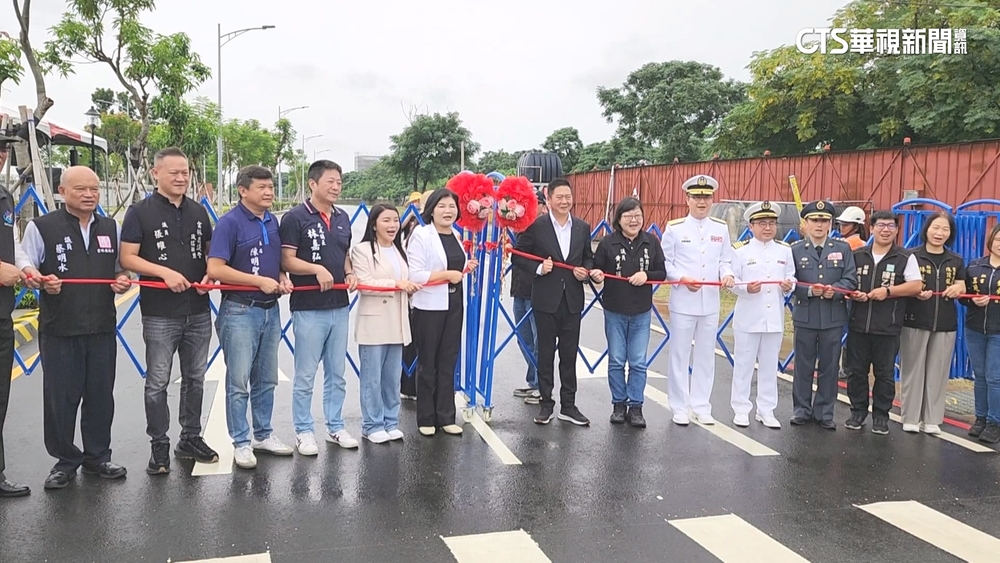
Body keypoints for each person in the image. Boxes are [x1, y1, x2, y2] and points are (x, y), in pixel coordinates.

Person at [20, 166, 133, 489]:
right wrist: (41, 283)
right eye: (81, 189)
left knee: (100, 394)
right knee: (61, 397)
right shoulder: (42, 227)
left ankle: (98, 457)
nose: (89, 195)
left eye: (94, 189)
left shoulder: (110, 226)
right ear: (62, 191)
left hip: (101, 325)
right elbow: (26, 266)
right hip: (60, 327)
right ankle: (65, 460)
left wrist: (123, 281)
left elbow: (120, 268)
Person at [119, 147, 219, 475]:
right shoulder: (139, 212)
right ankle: (158, 444)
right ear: (155, 174)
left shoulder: (198, 212)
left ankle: (189, 437)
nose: (181, 178)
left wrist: (209, 276)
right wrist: (163, 272)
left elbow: (209, 255)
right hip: (160, 311)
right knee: (158, 380)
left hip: (198, 309)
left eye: (185, 172)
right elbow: (128, 258)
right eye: (174, 172)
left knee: (195, 377)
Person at [207, 165, 294, 470]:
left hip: (271, 309)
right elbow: (215, 269)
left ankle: (263, 434)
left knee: (266, 378)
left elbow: (276, 260)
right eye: (262, 187)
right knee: (239, 381)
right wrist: (257, 281)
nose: (269, 192)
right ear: (243, 191)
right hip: (240, 310)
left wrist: (282, 277)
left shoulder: (272, 220)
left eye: (271, 187)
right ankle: (241, 442)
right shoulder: (229, 223)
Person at [279, 160, 359, 455]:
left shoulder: (343, 218)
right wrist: (315, 269)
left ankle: (335, 426)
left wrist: (349, 273)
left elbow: (344, 254)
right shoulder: (295, 218)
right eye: (330, 181)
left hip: (339, 306)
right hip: (309, 307)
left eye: (339, 181)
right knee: (305, 374)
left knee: (336, 373)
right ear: (313, 184)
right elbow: (286, 260)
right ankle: (303, 431)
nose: (336, 186)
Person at [511, 178, 593, 426]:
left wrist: (585, 270)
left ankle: (569, 405)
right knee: (545, 353)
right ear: (549, 199)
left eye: (568, 196)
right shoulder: (537, 227)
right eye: (560, 197)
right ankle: (546, 403)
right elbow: (518, 256)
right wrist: (538, 267)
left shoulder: (582, 227)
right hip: (545, 300)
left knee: (569, 355)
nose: (565, 201)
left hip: (572, 301)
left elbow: (589, 258)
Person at [659, 174, 734, 426]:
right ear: (687, 199)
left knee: (705, 355)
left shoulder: (720, 228)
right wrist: (682, 278)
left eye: (706, 197)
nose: (702, 202)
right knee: (679, 354)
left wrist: (728, 275)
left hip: (710, 302)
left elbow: (725, 260)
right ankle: (679, 405)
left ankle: (702, 405)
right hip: (683, 301)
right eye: (697, 197)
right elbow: (665, 264)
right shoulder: (675, 228)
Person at [843, 210, 923, 434]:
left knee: (885, 374)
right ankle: (857, 412)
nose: (885, 230)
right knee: (856, 372)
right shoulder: (858, 255)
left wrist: (888, 291)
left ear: (897, 230)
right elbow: (847, 284)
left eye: (890, 226)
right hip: (858, 324)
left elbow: (916, 286)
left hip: (888, 327)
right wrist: (853, 294)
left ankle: (881, 416)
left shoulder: (905, 257)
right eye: (881, 225)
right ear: (871, 228)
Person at [406, 188, 477, 436]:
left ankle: (446, 416)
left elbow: (453, 264)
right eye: (442, 206)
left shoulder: (456, 235)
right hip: (429, 308)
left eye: (452, 206)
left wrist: (465, 266)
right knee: (428, 363)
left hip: (454, 305)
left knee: (448, 361)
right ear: (431, 210)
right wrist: (447, 275)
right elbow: (414, 275)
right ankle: (426, 418)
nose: (448, 211)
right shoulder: (422, 235)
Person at [589, 197, 665, 427]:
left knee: (639, 361)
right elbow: (596, 267)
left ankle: (636, 407)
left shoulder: (651, 242)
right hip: (614, 310)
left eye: (638, 215)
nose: (634, 220)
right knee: (616, 360)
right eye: (628, 215)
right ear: (618, 219)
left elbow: (661, 272)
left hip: (641, 311)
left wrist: (647, 276)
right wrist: (597, 274)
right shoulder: (607, 243)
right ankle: (618, 405)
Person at [351, 204, 420, 443]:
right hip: (375, 323)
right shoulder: (362, 250)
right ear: (373, 224)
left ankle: (391, 421)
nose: (392, 225)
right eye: (386, 221)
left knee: (392, 377)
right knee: (372, 377)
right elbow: (365, 283)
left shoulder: (399, 250)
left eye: (395, 220)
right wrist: (397, 284)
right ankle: (371, 425)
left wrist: (409, 288)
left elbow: (407, 280)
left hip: (398, 321)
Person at [789, 200, 857, 430]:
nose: (819, 225)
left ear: (830, 224)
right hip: (805, 315)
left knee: (829, 367)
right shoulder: (796, 249)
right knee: (803, 365)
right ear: (805, 224)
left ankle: (825, 412)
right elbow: (789, 281)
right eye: (814, 220)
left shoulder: (842, 248)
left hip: (832, 316)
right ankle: (801, 409)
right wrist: (807, 290)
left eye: (824, 220)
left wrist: (834, 291)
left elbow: (850, 279)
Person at [729, 201, 795, 429]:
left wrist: (789, 286)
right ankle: (740, 409)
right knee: (744, 365)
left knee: (769, 367)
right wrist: (745, 288)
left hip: (774, 318)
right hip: (748, 317)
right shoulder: (740, 251)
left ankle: (766, 410)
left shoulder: (784, 251)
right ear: (751, 225)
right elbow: (731, 281)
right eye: (762, 223)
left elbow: (792, 276)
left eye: (771, 223)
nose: (767, 228)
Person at [899, 211, 965, 435]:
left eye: (945, 229)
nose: (940, 233)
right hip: (915, 319)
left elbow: (962, 284)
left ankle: (932, 419)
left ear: (950, 233)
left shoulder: (955, 259)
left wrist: (959, 288)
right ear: (926, 230)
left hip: (945, 323)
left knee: (938, 371)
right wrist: (915, 293)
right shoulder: (911, 256)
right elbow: (903, 285)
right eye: (936, 228)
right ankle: (910, 417)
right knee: (913, 369)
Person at [0, 142, 35, 497]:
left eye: (3, 149)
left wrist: (25, 268)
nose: (0, 155)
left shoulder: (4, 196)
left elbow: (11, 243)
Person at [962, 223, 1000, 444]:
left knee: (995, 377)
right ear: (991, 241)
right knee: (980, 376)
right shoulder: (975, 266)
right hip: (974, 328)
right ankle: (981, 418)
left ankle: (995, 422)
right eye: (997, 240)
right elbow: (961, 295)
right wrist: (972, 300)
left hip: (998, 331)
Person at [510, 188, 548, 405]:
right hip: (519, 290)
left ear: (543, 206)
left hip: (538, 291)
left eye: (534, 204)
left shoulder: (545, 229)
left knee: (539, 339)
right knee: (523, 338)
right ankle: (533, 380)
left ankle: (542, 386)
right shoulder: (519, 229)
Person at [400, 190, 432, 401]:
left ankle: (414, 385)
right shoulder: (418, 229)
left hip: (432, 296)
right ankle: (410, 385)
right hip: (415, 293)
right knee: (413, 341)